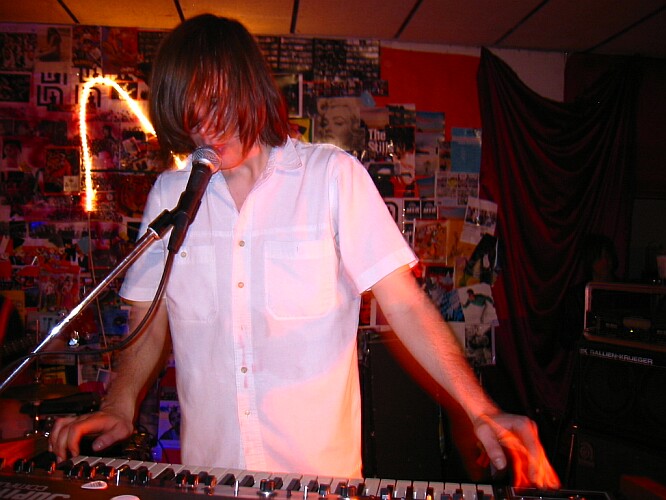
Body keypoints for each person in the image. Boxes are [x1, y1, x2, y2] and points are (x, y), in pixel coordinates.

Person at [49, 14, 559, 488]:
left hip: (319, 483)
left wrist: (479, 407)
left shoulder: (332, 177)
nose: (205, 127)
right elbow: (148, 315)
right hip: (210, 480)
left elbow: (404, 303)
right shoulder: (170, 194)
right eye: (190, 113)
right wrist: (119, 403)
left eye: (217, 102)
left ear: (251, 88)